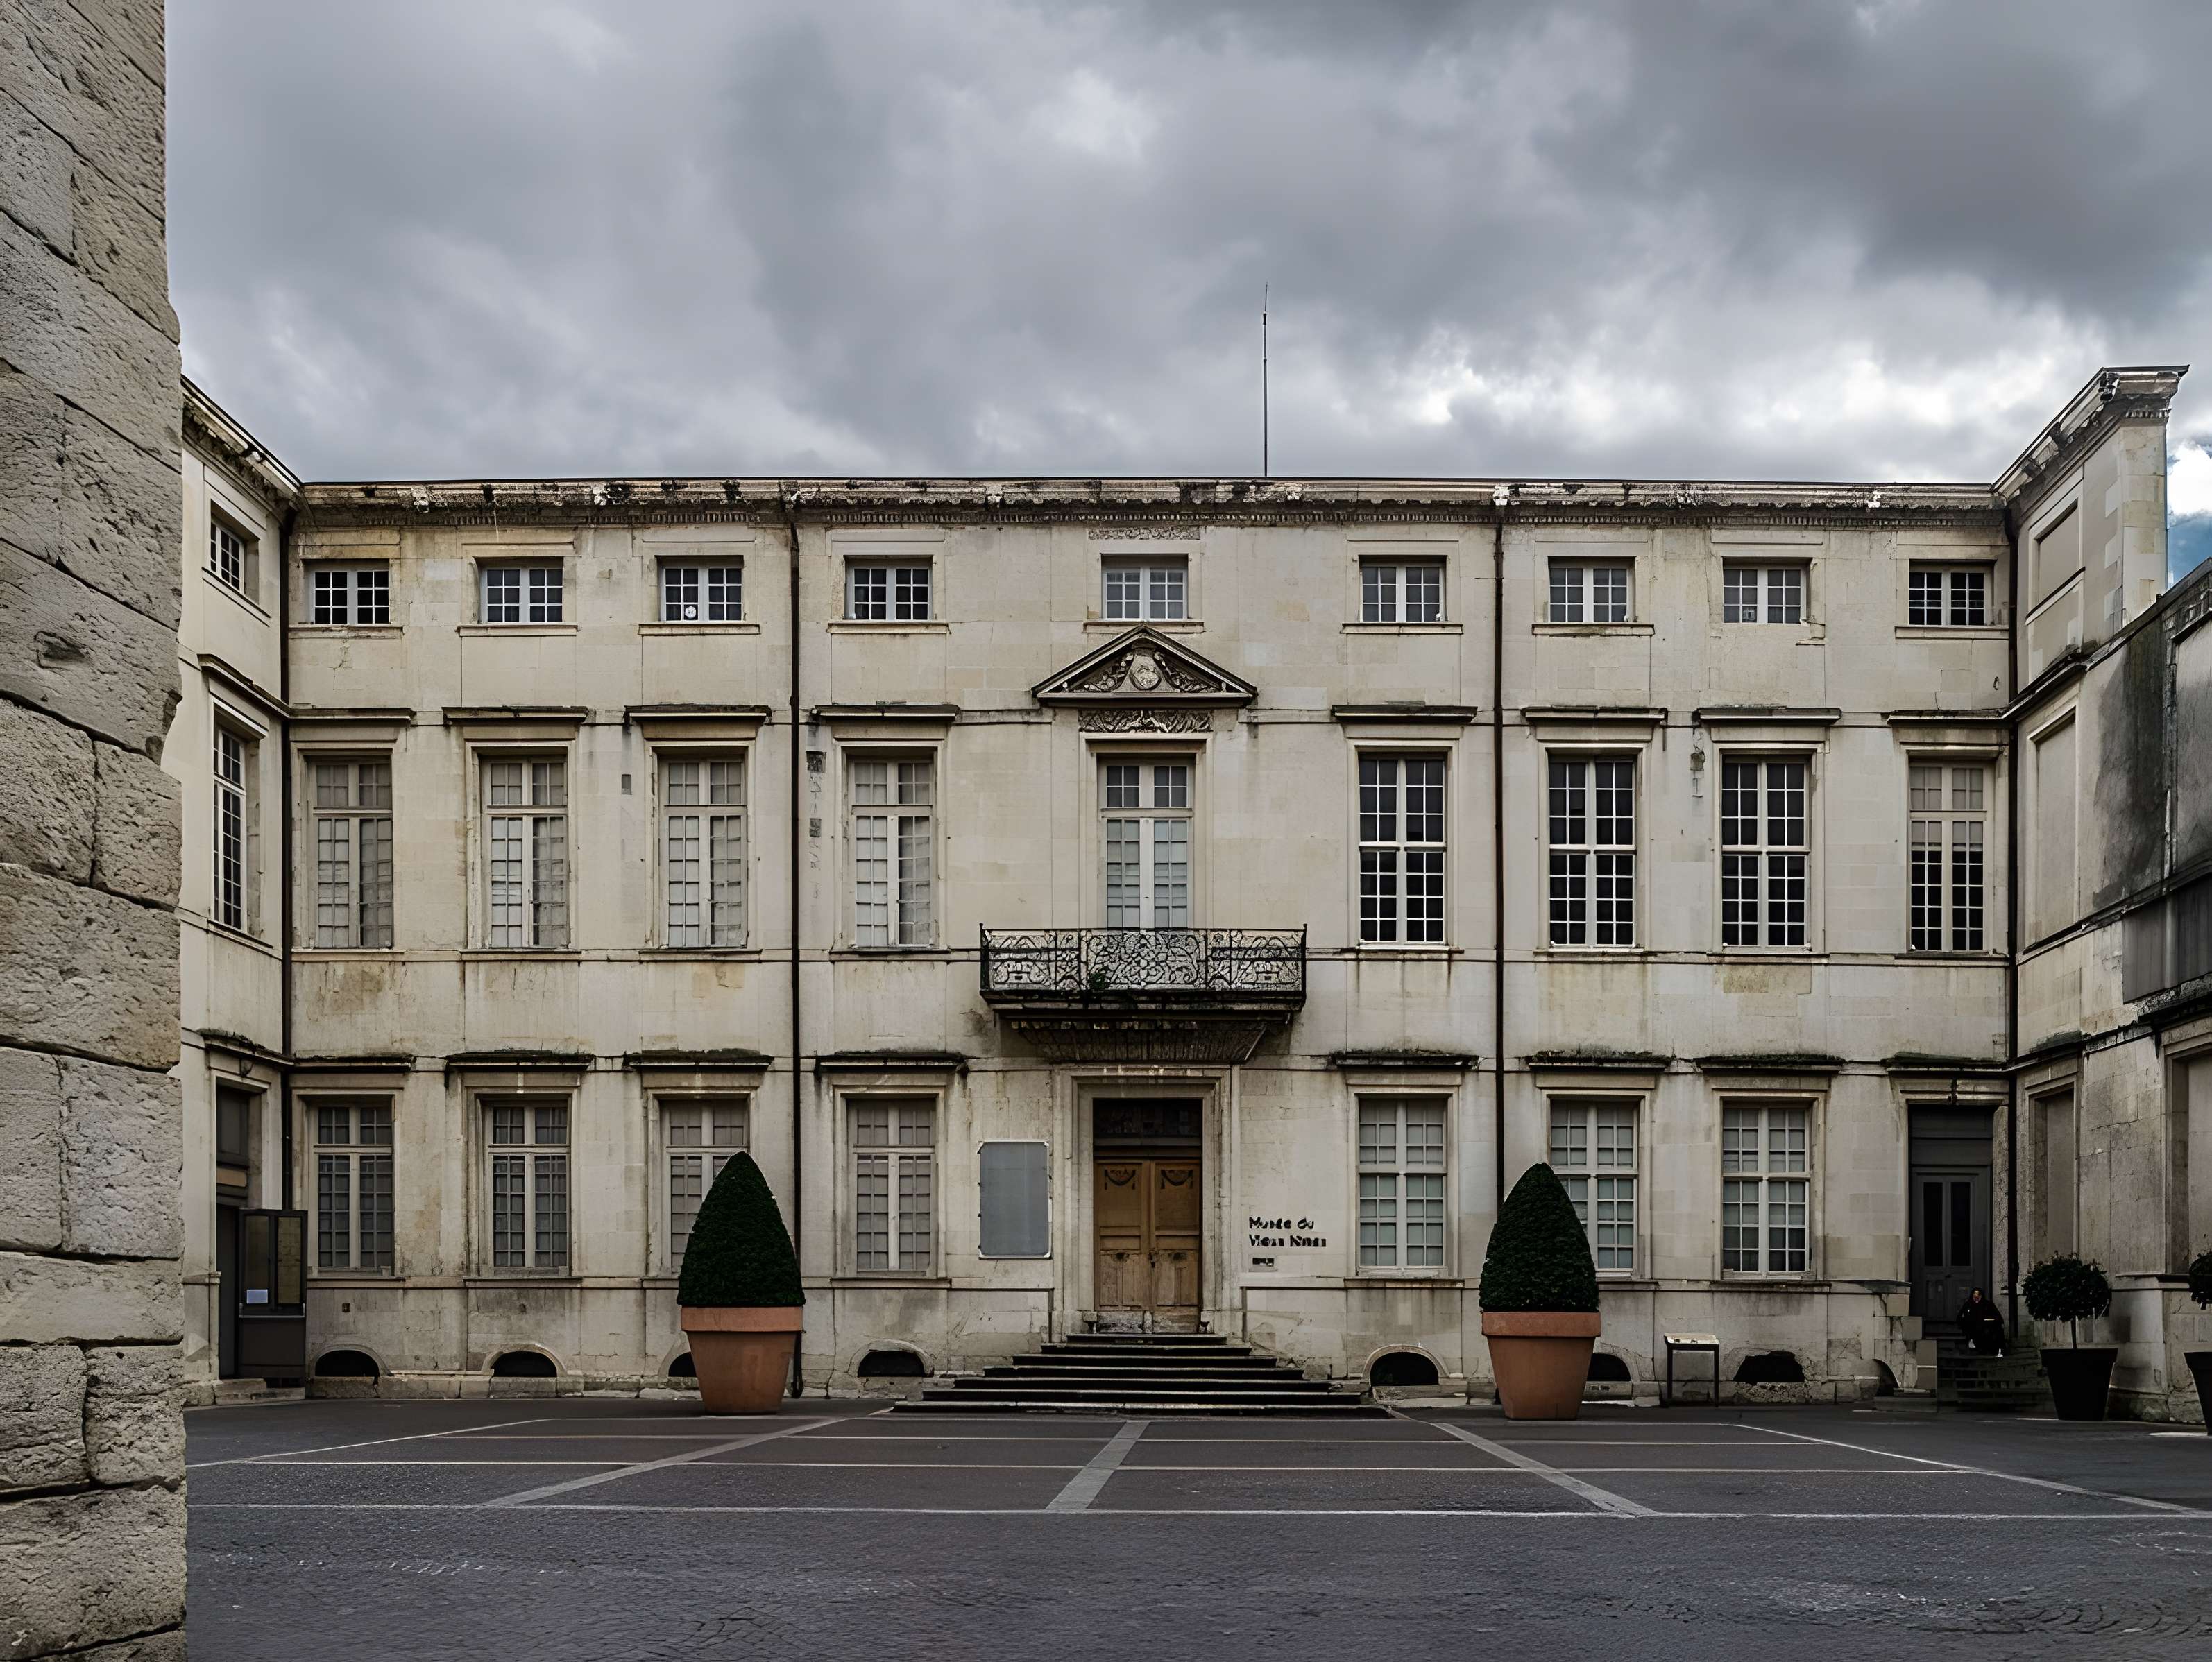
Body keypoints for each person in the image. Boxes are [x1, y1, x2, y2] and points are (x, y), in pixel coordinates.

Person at [1955, 1287, 2006, 1357]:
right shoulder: (1968, 1305)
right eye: (1975, 1295)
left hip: (1986, 1328)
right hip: (1972, 1329)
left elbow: (1997, 1315)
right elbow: (1960, 1317)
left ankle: (1992, 1350)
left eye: (1978, 1295)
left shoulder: (1988, 1304)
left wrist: (2000, 1322)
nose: (1977, 1297)